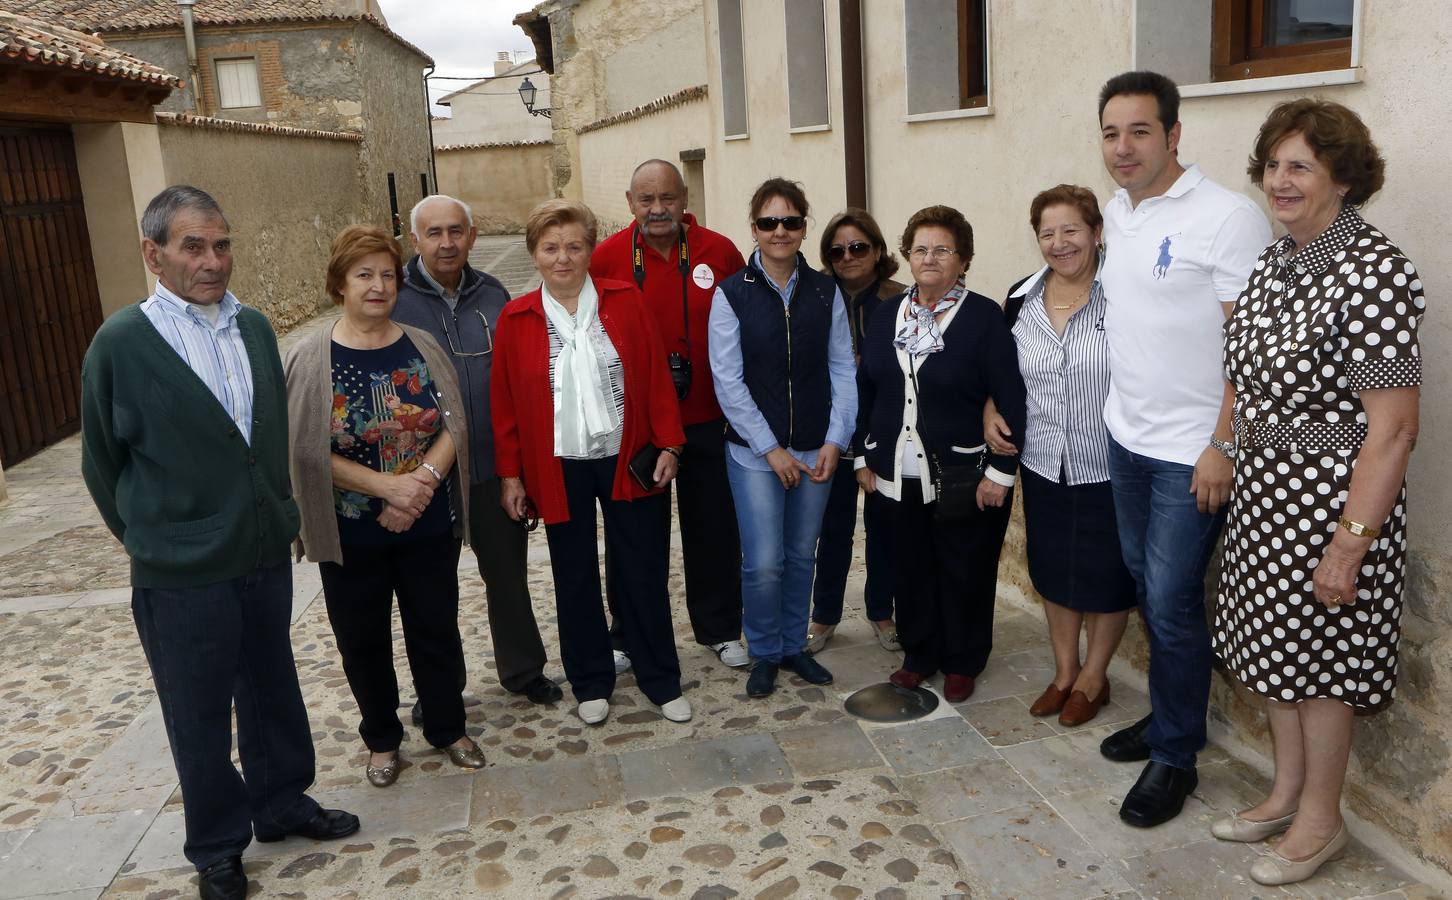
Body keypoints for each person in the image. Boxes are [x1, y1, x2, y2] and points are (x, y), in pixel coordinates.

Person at [80, 186, 358, 900]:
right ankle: (216, 846)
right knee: (197, 713)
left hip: (262, 554)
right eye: (193, 246)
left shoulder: (254, 328)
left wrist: (271, 515)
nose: (212, 261)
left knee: (272, 689)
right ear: (155, 253)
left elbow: (259, 441)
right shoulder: (120, 343)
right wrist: (157, 539)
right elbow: (103, 464)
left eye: (221, 244)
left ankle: (282, 802)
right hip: (180, 573)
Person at [1212, 99, 1423, 886]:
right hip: (1266, 498)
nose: (1280, 180)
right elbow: (1242, 378)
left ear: (1341, 176)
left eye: (1299, 165)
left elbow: (1394, 429)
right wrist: (1228, 449)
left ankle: (1323, 819)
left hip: (1334, 506)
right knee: (1275, 658)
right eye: (1272, 164)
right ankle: (1288, 792)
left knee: (1324, 668)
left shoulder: (1376, 271)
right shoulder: (1275, 263)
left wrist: (1350, 541)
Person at [1094, 71, 1272, 827]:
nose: (1123, 147)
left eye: (1139, 131)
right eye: (1110, 132)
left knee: (1169, 603)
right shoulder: (1117, 211)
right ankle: (1173, 717)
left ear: (1174, 135)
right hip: (1126, 437)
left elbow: (1250, 346)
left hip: (1190, 453)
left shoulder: (1228, 218)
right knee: (1146, 585)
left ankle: (1175, 757)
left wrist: (1222, 444)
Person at [284, 224, 486, 788]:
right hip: (350, 535)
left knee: (437, 629)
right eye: (364, 275)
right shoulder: (310, 356)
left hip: (425, 524)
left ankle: (448, 727)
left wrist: (418, 484)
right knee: (362, 640)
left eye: (387, 275)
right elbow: (303, 450)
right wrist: (386, 489)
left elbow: (455, 424)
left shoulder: (421, 345)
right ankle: (381, 739)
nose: (378, 286)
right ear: (339, 284)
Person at [491, 199, 691, 726]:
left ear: (590, 250)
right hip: (558, 466)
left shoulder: (625, 300)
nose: (563, 258)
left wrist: (670, 444)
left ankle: (660, 677)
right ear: (534, 254)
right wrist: (510, 474)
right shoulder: (516, 318)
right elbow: (505, 403)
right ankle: (590, 679)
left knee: (642, 571)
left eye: (574, 246)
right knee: (572, 575)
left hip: (629, 457)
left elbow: (653, 377)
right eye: (551, 248)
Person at [391, 195, 563, 708]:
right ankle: (438, 688)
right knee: (429, 590)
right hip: (426, 472)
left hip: (492, 465)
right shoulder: (395, 300)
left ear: (473, 233)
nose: (447, 243)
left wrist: (520, 467)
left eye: (456, 232)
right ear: (415, 239)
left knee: (508, 577)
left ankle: (524, 671)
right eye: (434, 233)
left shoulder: (494, 294)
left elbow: (516, 375)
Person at [855, 205, 1025, 704]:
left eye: (943, 250)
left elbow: (1010, 396)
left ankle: (963, 658)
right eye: (921, 249)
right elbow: (870, 391)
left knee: (965, 567)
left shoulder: (982, 317)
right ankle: (920, 654)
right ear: (907, 256)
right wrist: (865, 457)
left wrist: (1001, 471)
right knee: (909, 565)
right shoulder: (889, 314)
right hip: (896, 470)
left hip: (963, 470)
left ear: (963, 260)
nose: (930, 258)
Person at [590, 160, 750, 670]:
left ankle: (721, 628)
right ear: (630, 202)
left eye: (667, 198)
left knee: (714, 531)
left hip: (708, 418)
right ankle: (628, 634)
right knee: (634, 537)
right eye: (646, 199)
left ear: (685, 199)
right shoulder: (606, 259)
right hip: (636, 425)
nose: (657, 209)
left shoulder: (720, 252)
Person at [987, 185, 1136, 726]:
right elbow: (1001, 372)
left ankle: (1095, 679)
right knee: (1052, 570)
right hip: (1044, 460)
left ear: (1096, 233)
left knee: (1108, 574)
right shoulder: (1018, 300)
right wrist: (988, 410)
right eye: (1047, 233)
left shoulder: (1123, 293)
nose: (1059, 242)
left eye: (1071, 230)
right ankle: (1064, 672)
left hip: (1110, 461)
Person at [709, 177, 855, 699]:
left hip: (816, 446)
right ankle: (764, 650)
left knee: (800, 554)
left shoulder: (825, 290)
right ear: (753, 228)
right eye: (769, 222)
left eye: (790, 221)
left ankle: (794, 644)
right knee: (764, 559)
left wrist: (837, 440)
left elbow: (843, 367)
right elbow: (728, 381)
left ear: (802, 228)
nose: (780, 231)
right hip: (753, 455)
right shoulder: (731, 294)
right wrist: (770, 449)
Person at [807, 208, 904, 654]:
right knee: (833, 527)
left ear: (877, 250)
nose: (848, 256)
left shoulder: (902, 300)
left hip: (887, 430)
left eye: (858, 247)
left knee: (885, 528)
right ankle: (824, 616)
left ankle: (882, 612)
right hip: (833, 433)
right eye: (838, 250)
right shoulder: (818, 297)